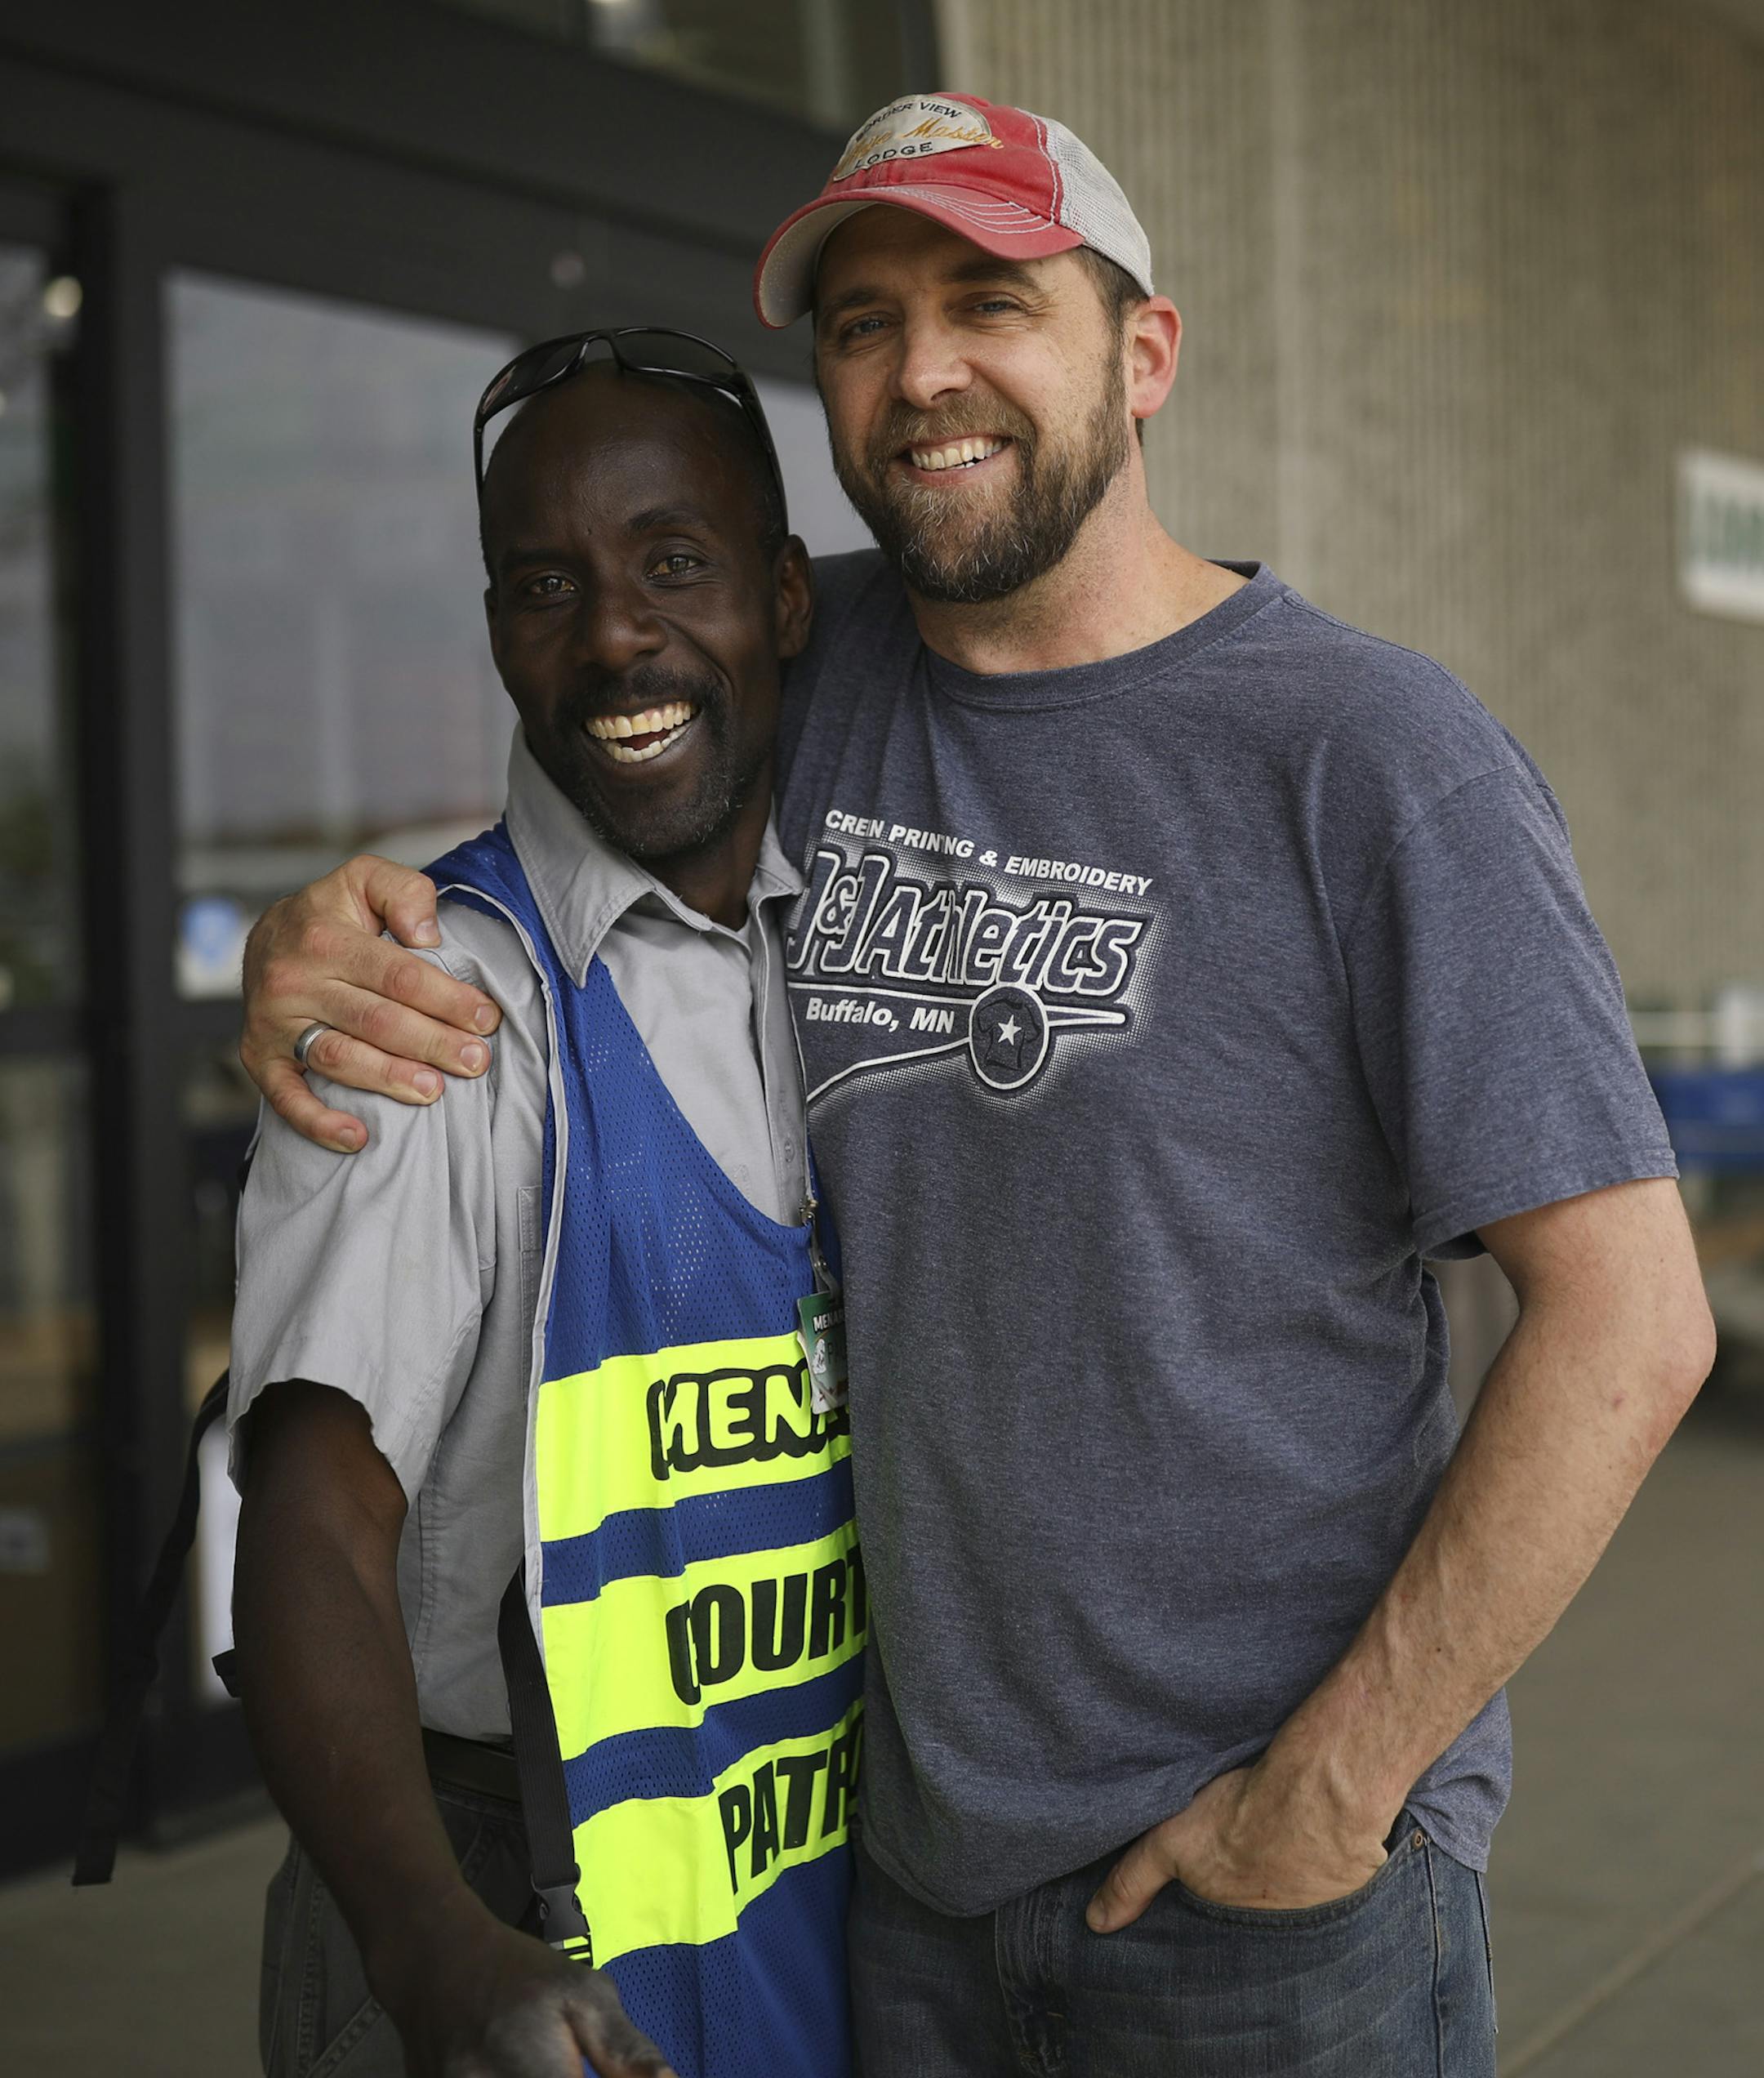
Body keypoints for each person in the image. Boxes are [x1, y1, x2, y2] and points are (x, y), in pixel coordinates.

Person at [237, 93, 1714, 2076]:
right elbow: (600, 687)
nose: (923, 370)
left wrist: (1330, 1799)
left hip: (1256, 1911)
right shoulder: (804, 657)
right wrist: (313, 933)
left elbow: (1635, 1319)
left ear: (1144, 353)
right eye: (861, 324)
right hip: (904, 1895)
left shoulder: (1370, 759)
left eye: (989, 301)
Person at [228, 334, 866, 2078]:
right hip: (495, 1911)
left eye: (676, 563)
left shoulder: (842, 958)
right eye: (545, 585)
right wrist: (435, 1949)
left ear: (787, 598)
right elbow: (307, 1523)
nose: (612, 638)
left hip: (780, 1882)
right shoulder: (423, 1009)